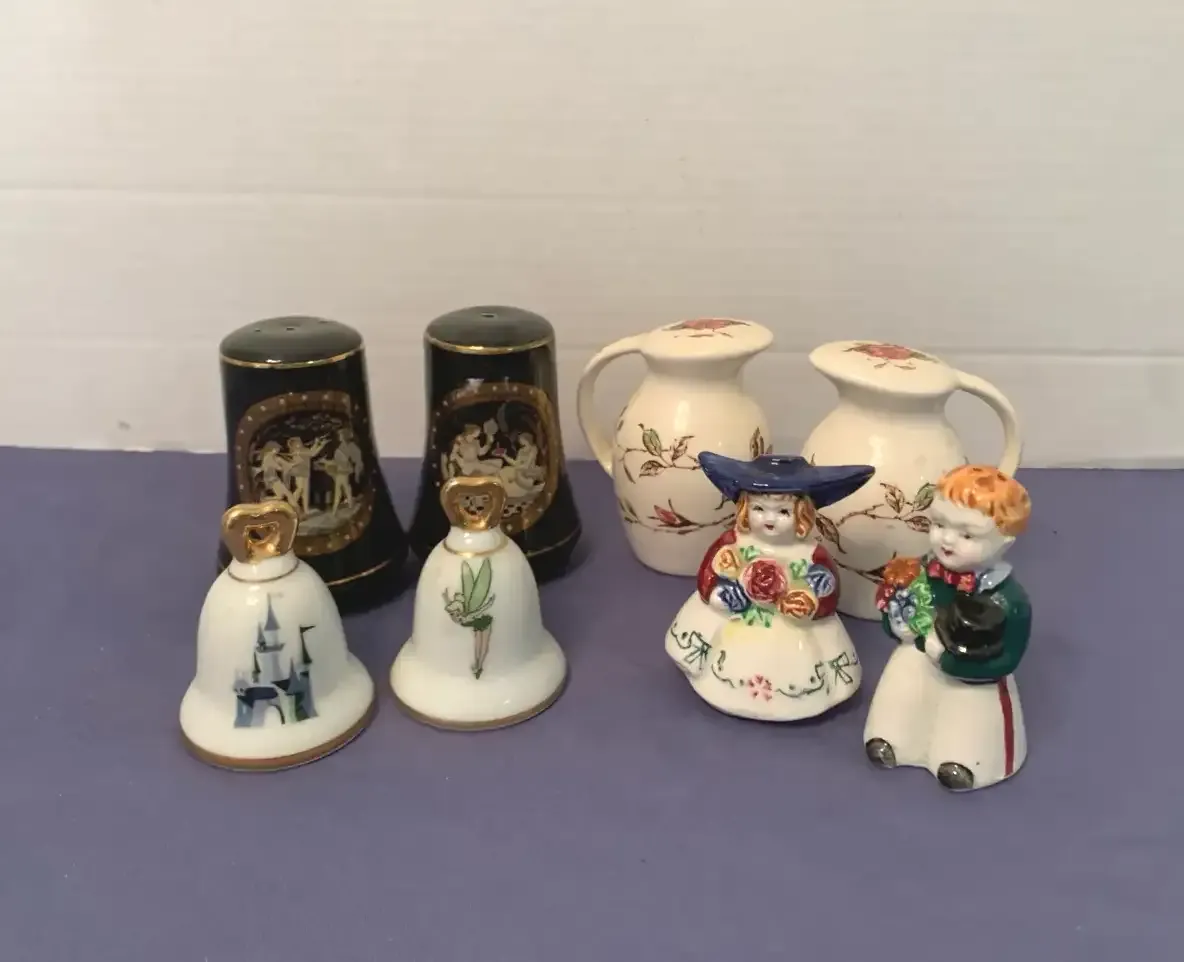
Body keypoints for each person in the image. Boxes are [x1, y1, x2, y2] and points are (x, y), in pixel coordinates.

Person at [664, 453, 874, 722]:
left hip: (791, 631)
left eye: (783, 511)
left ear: (802, 515)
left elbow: (828, 592)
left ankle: (789, 696)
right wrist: (716, 593)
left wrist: (811, 605)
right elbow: (708, 572)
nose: (769, 519)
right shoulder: (733, 542)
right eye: (759, 509)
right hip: (733, 619)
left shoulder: (810, 554)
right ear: (744, 509)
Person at [863, 464, 1033, 792]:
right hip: (917, 654)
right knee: (902, 686)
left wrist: (952, 661)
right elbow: (895, 605)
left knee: (966, 711)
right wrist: (897, 623)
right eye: (939, 524)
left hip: (970, 676)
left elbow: (1007, 658)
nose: (947, 539)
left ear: (1004, 540)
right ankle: (894, 740)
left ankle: (963, 761)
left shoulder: (1008, 600)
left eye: (967, 535)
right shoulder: (920, 572)